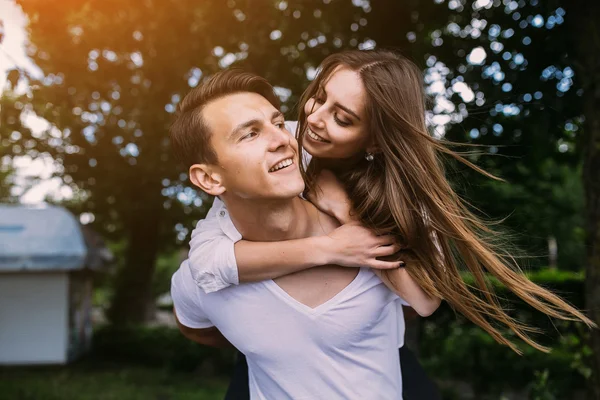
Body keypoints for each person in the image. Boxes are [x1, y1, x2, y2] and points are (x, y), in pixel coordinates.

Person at [184, 48, 595, 393]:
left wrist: (347, 213)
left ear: (376, 140)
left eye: (343, 118)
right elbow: (206, 264)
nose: (314, 119)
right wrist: (327, 251)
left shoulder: (398, 197)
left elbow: (424, 300)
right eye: (319, 96)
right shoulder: (285, 143)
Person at [170, 69, 440, 399]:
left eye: (279, 123)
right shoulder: (202, 275)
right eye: (250, 134)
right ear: (210, 180)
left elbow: (423, 302)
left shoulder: (380, 211)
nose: (284, 138)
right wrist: (265, 344)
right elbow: (199, 306)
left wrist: (348, 216)